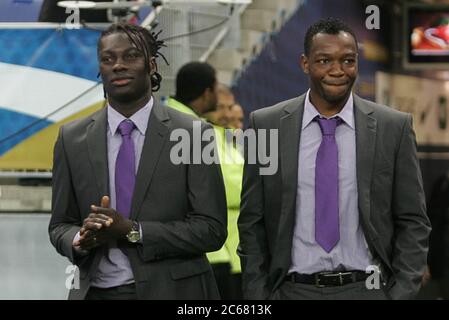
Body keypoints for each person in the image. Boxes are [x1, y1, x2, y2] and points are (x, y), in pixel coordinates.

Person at [238, 17, 431, 300]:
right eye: (324, 61)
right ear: (305, 63)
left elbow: (413, 220)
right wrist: (259, 294)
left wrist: (399, 293)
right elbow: (252, 221)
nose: (337, 70)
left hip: (367, 290)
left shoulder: (394, 127)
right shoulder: (266, 124)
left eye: (348, 61)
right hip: (291, 290)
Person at [48, 23, 227, 300]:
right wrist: (80, 238)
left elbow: (211, 230)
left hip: (174, 292)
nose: (118, 65)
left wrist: (133, 231)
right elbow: (60, 225)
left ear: (152, 65)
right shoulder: (71, 138)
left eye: (130, 56)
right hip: (95, 292)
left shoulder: (193, 133)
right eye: (108, 59)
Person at [167, 67, 244, 299]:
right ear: (207, 92)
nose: (227, 113)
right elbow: (225, 187)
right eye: (222, 105)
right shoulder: (185, 128)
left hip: (220, 250)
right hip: (200, 251)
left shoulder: (202, 128)